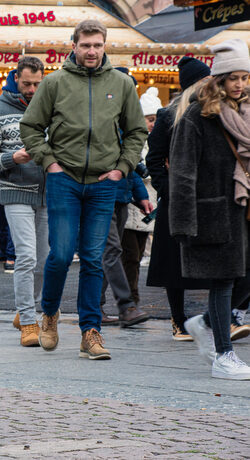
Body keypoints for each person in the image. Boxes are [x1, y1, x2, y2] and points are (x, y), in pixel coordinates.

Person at [20, 19, 148, 360]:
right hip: (64, 179)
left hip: (104, 183)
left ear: (105, 46)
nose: (91, 51)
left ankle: (90, 332)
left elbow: (136, 131)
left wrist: (122, 168)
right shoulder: (55, 83)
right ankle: (49, 314)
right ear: (73, 46)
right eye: (85, 45)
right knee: (60, 255)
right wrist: (49, 162)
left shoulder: (121, 84)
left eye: (97, 45)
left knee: (94, 258)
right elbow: (31, 126)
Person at [170, 39, 250, 379]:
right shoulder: (197, 116)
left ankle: (204, 322)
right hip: (214, 211)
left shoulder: (247, 113)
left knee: (240, 280)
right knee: (223, 282)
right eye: (234, 78)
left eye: (246, 77)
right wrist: (184, 222)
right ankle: (223, 355)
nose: (241, 85)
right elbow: (183, 171)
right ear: (218, 79)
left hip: (242, 208)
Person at [0, 56, 48, 347]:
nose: (32, 89)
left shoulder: (50, 107)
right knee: (27, 257)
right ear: (16, 78)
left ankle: (26, 308)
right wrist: (12, 157)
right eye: (27, 83)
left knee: (45, 262)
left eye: (37, 84)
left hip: (48, 192)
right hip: (15, 190)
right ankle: (30, 322)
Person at [146, 58, 212, 340]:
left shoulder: (214, 111)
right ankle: (177, 319)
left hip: (209, 196)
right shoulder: (168, 115)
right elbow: (154, 158)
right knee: (174, 261)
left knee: (215, 258)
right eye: (204, 80)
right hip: (177, 197)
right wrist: (167, 188)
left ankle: (219, 318)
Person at [98, 71, 153, 328]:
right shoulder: (104, 118)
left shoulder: (126, 123)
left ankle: (95, 306)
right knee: (112, 251)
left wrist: (141, 197)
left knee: (108, 253)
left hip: (120, 196)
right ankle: (126, 306)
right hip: (101, 193)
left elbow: (131, 166)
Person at [119, 87, 161, 307]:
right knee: (130, 256)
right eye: (150, 119)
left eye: (156, 119)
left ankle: (131, 299)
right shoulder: (133, 141)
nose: (153, 124)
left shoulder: (158, 141)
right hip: (131, 202)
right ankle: (129, 299)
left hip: (147, 206)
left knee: (134, 257)